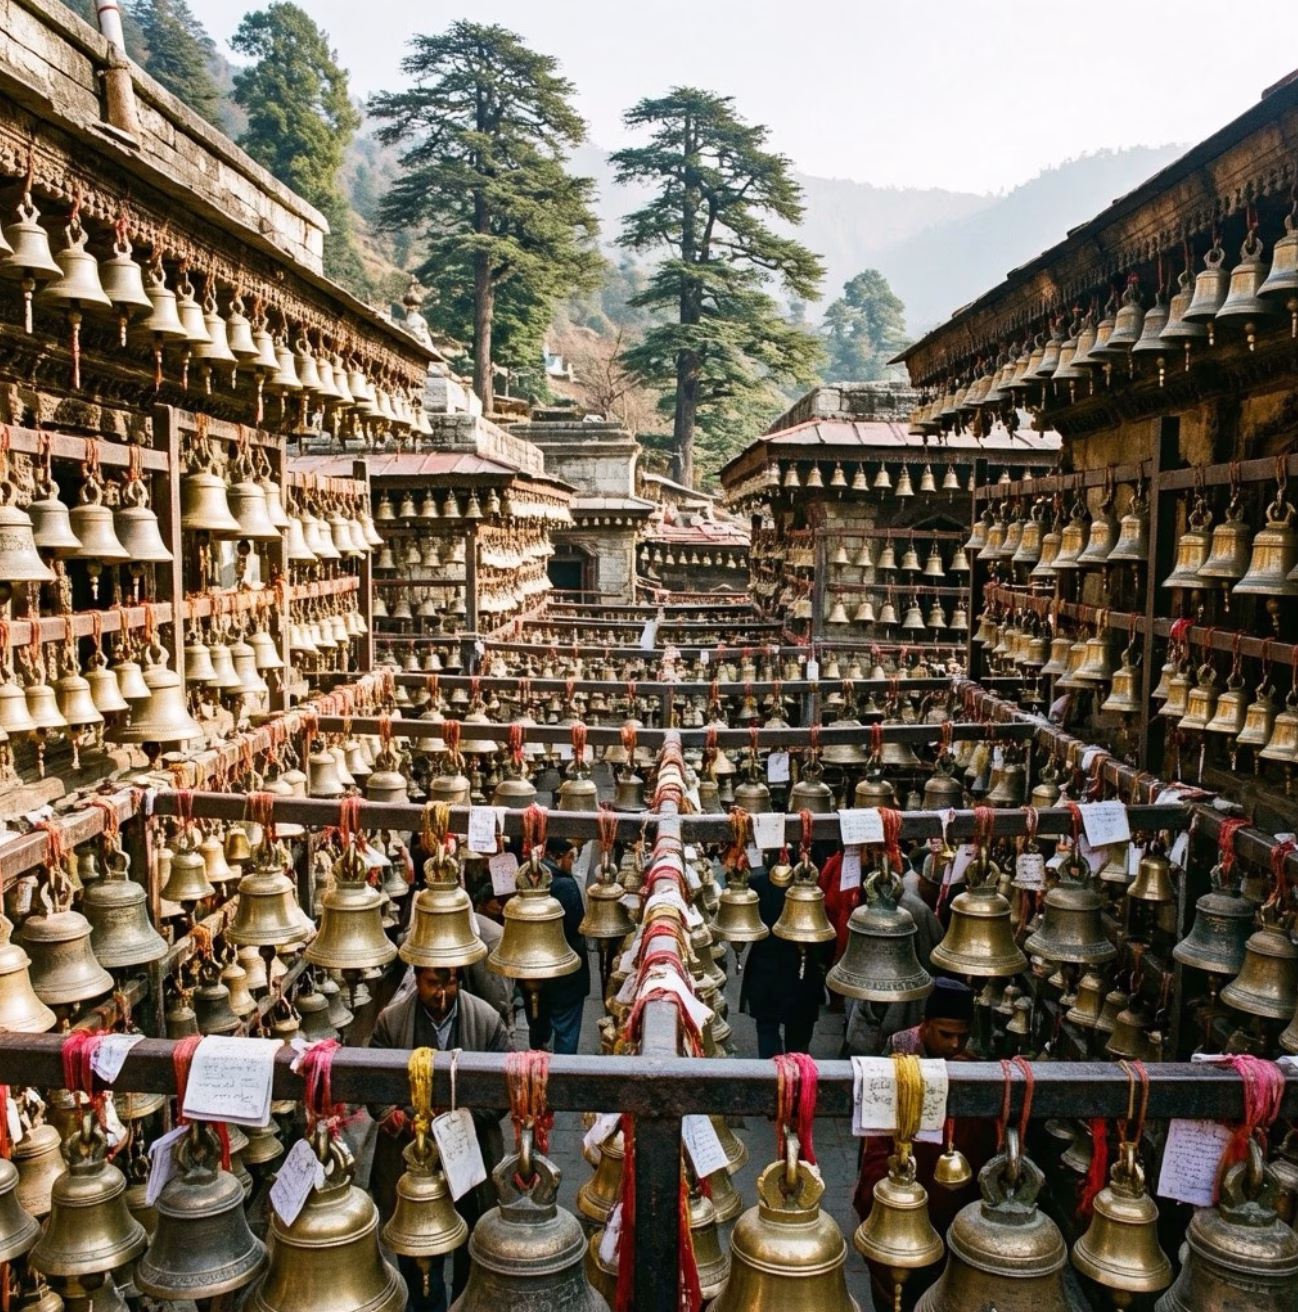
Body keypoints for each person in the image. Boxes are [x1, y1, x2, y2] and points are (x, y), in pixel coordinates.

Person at [370, 966, 513, 1312]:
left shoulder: (486, 1020)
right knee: (416, 1247)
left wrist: (454, 1121)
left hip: (467, 1155)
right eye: (433, 983)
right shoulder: (391, 1021)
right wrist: (392, 1115)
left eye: (450, 982)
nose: (442, 992)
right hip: (411, 1160)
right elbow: (373, 1083)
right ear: (417, 979)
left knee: (471, 1239)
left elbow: (501, 1094)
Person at [852, 979, 997, 1311]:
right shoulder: (898, 1056)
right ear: (926, 1025)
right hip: (902, 1198)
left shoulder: (972, 1065)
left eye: (963, 1035)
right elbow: (876, 1142)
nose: (955, 1043)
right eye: (946, 1034)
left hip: (952, 1211)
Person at [842, 855, 944, 1056]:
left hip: (872, 1009)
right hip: (895, 1009)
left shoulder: (876, 908)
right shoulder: (917, 909)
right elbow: (933, 958)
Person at [739, 852, 831, 1058]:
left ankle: (772, 1080)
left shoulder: (758, 883)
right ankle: (796, 1084)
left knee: (767, 1031)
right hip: (802, 971)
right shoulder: (811, 888)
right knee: (798, 1044)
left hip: (766, 971)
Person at [528, 838, 590, 1054]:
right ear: (556, 856)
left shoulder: (529, 881)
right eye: (571, 858)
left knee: (538, 1026)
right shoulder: (566, 886)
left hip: (534, 974)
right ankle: (563, 1078)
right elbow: (577, 926)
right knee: (566, 1032)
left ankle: (535, 1072)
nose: (572, 863)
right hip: (567, 976)